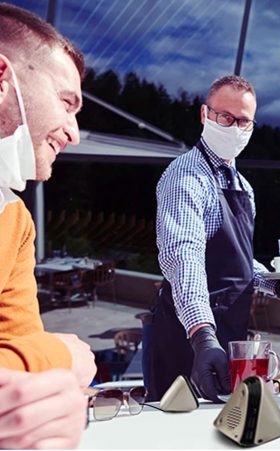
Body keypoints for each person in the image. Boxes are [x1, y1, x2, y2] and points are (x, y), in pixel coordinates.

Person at [148, 75, 280, 402]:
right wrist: (202, 335)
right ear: (204, 114)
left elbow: (235, 258)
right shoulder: (185, 177)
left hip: (230, 334)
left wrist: (273, 283)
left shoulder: (243, 187)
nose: (235, 128)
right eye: (225, 117)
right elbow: (184, 257)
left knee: (227, 426)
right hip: (188, 336)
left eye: (243, 121)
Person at [0, 3, 95, 447]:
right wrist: (61, 354)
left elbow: (22, 387)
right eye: (66, 102)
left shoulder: (14, 219)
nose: (73, 133)